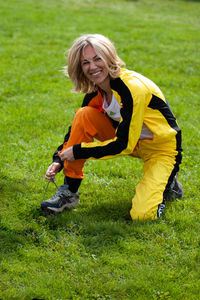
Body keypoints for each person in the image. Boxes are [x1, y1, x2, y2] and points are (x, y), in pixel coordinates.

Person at [41, 33, 184, 220]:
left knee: (143, 215)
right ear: (79, 67)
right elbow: (76, 129)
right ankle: (69, 191)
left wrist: (78, 151)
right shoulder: (97, 92)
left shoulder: (132, 89)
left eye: (97, 59)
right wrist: (59, 159)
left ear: (109, 57)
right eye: (85, 62)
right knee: (84, 114)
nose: (92, 67)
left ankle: (169, 183)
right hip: (132, 141)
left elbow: (123, 145)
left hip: (161, 148)